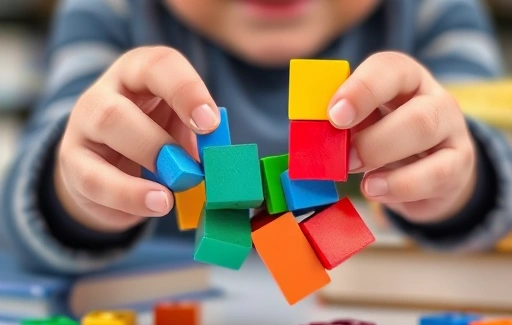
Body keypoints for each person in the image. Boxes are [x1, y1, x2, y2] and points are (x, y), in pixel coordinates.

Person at [1, 0, 511, 275]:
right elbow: (16, 217)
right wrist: (77, 193)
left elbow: (494, 160)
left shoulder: (433, 12)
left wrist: (463, 183)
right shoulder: (108, 11)